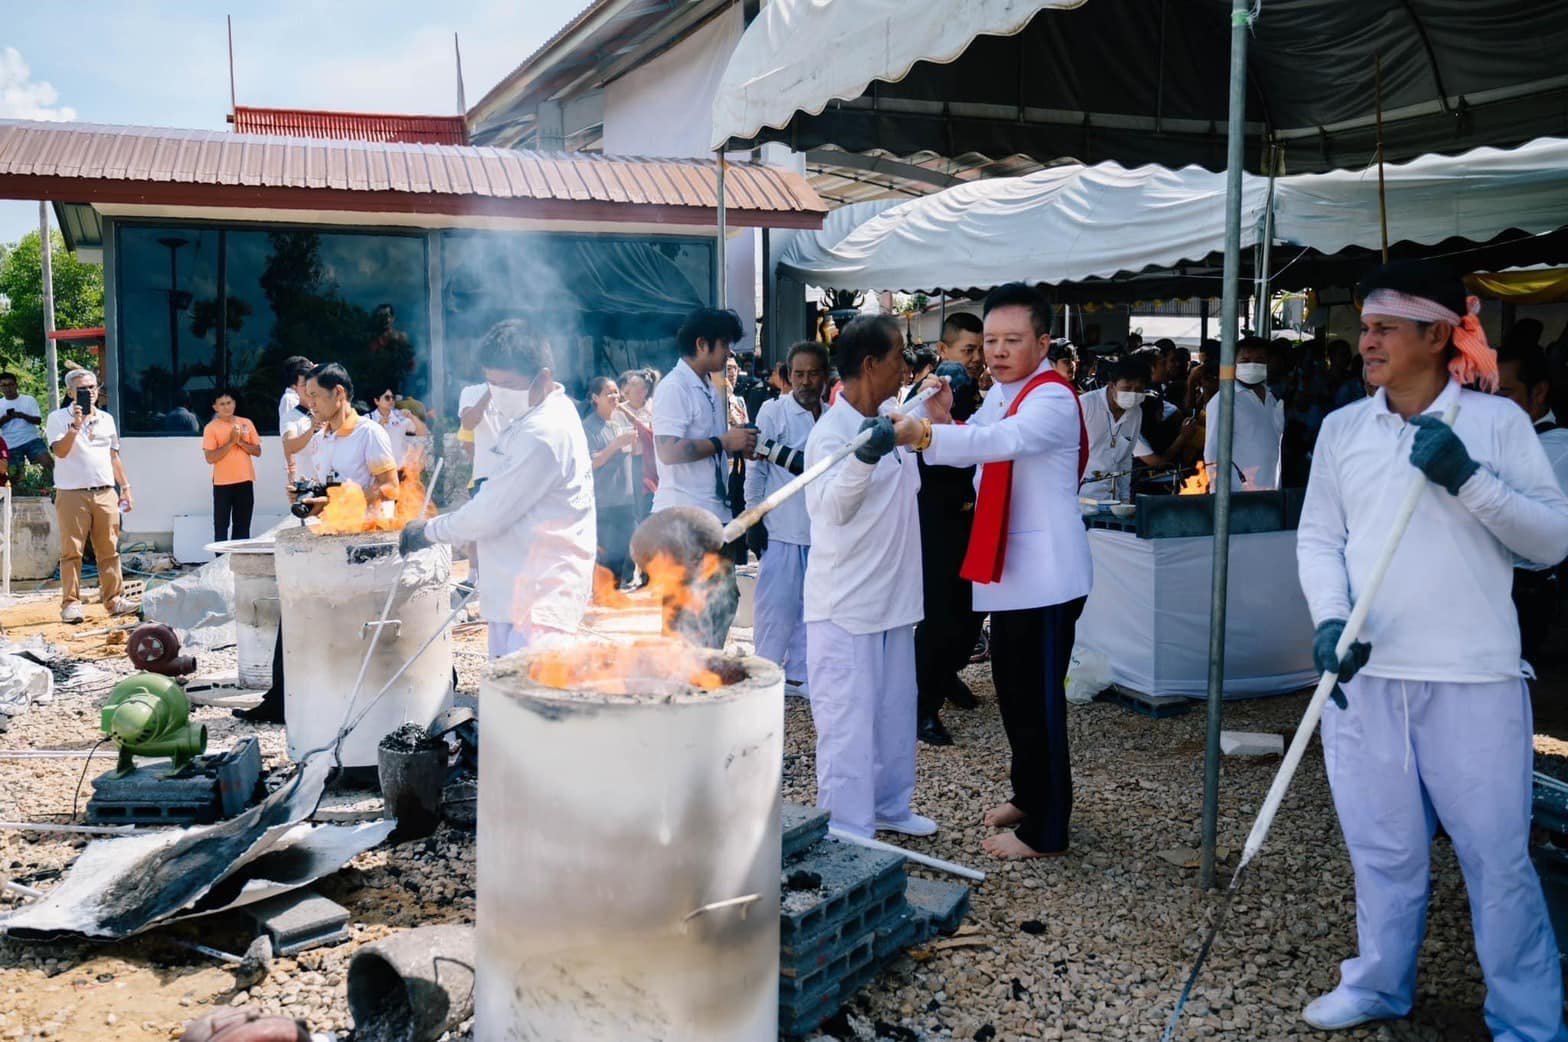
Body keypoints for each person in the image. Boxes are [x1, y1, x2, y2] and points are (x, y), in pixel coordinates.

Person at [1295, 260, 1568, 1037]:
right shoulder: (1345, 428)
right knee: (1382, 850)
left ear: (1437, 334)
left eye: (1383, 327)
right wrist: (1330, 619)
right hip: (1367, 675)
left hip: (1472, 678)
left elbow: (1552, 540)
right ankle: (1380, 983)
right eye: (1366, 324)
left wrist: (1469, 479)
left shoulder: (1497, 425)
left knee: (1497, 861)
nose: (1365, 339)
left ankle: (1528, 1017)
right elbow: (1321, 539)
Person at [899, 283, 1091, 859]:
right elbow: (976, 433)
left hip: (1047, 577)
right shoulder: (1007, 392)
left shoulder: (1051, 398)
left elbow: (999, 443)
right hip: (1011, 574)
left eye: (1013, 340)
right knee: (1013, 693)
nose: (999, 351)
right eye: (991, 341)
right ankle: (1030, 794)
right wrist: (944, 417)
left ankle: (1048, 828)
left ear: (1043, 341)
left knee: (1040, 704)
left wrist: (932, 432)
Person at [804, 314, 943, 841]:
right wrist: (864, 456)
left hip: (895, 599)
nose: (907, 367)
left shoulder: (892, 416)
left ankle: (889, 805)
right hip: (846, 606)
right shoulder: (831, 434)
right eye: (899, 357)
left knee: (892, 716)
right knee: (848, 724)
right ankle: (847, 825)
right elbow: (828, 509)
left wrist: (933, 411)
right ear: (870, 364)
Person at [403, 319, 595, 658]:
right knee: (503, 700)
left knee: (525, 703)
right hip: (517, 589)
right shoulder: (543, 410)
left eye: (507, 384)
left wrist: (429, 531)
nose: (498, 394)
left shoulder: (544, 432)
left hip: (539, 598)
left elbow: (489, 513)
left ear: (544, 377)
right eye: (491, 383)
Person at [912, 354, 985, 747]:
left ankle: (947, 674)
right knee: (938, 622)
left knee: (971, 615)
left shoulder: (965, 425)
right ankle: (923, 707)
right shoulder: (919, 426)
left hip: (968, 528)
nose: (966, 398)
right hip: (932, 534)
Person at [745, 341, 827, 696]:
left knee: (812, 609)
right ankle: (762, 676)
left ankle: (798, 676)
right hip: (781, 528)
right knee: (775, 608)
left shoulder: (831, 415)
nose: (806, 382)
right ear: (787, 376)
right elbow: (756, 472)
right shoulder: (772, 412)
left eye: (813, 374)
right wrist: (753, 518)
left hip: (821, 530)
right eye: (799, 374)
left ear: (825, 376)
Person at [1495, 336, 1568, 661]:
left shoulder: (1558, 450)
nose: (1492, 404)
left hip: (1521, 593)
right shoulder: (1492, 437)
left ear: (1539, 392)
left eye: (1505, 393)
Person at [650, 308, 757, 529]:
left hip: (713, 512)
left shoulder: (709, 385)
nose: (730, 352)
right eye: (725, 344)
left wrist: (737, 445)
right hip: (683, 518)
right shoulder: (674, 387)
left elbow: (711, 444)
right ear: (701, 344)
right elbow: (668, 452)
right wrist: (724, 442)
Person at [47, 369, 134, 623]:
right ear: (70, 392)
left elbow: (113, 455)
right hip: (72, 493)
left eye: (94, 387)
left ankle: (114, 600)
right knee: (72, 551)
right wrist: (76, 425)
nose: (90, 392)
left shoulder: (107, 418)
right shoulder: (57, 418)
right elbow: (60, 452)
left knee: (109, 549)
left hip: (105, 491)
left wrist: (126, 487)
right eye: (83, 389)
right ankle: (71, 604)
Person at [302, 363, 399, 502]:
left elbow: (391, 488)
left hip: (367, 523)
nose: (310, 403)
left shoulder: (369, 433)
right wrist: (310, 497)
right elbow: (326, 492)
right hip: (328, 523)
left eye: (314, 395)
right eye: (308, 396)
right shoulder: (318, 439)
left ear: (338, 393)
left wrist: (341, 502)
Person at [1202, 336, 1286, 490]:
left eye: (1259, 360)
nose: (1252, 365)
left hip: (1271, 490)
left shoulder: (1271, 397)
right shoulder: (1224, 401)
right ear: (1234, 364)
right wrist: (1219, 499)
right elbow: (1212, 453)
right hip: (1240, 496)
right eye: (1245, 360)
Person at [582, 376, 638, 586]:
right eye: (609, 393)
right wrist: (615, 444)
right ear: (595, 398)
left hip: (626, 497)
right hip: (604, 501)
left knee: (628, 549)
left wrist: (635, 445)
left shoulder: (621, 421)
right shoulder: (589, 427)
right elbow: (590, 462)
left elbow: (632, 453)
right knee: (607, 555)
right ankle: (604, 598)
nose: (615, 396)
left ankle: (619, 592)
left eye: (616, 392)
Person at [202, 389, 262, 543]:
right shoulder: (211, 428)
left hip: (245, 480)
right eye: (222, 404)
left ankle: (238, 561)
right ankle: (220, 562)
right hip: (223, 483)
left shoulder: (246, 423)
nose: (226, 407)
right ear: (215, 407)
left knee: (242, 525)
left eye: (229, 403)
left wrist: (240, 441)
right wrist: (230, 442)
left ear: (234, 403)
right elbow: (210, 458)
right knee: (221, 525)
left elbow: (257, 451)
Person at [617, 369, 656, 518]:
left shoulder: (652, 409)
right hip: (629, 462)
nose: (623, 395)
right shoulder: (619, 411)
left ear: (644, 391)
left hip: (651, 464)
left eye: (632, 385)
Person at [370, 385, 430, 476]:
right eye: (387, 398)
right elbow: (365, 442)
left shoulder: (400, 416)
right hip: (378, 473)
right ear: (376, 401)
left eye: (393, 397)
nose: (391, 400)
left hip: (400, 471)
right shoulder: (368, 419)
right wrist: (379, 426)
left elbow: (422, 432)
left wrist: (412, 416)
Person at [0, 372, 47, 466]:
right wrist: (4, 419)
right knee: (16, 477)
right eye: (4, 385)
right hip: (11, 444)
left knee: (48, 463)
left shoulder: (29, 399)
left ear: (16, 385)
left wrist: (22, 415)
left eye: (10, 384)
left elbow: (38, 421)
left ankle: (49, 480)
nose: (8, 388)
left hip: (32, 439)